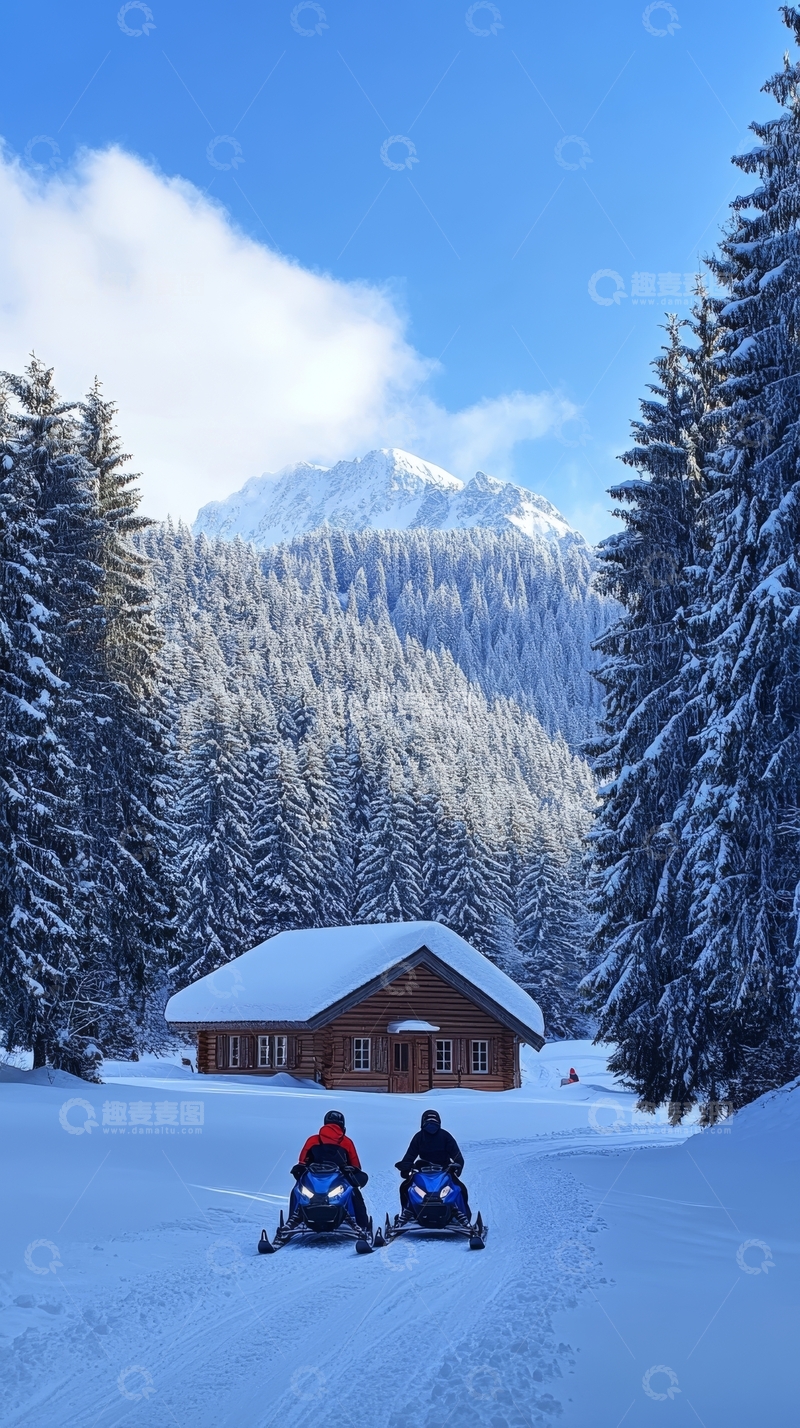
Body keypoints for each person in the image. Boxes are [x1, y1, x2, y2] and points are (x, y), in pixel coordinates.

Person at [295, 1110, 369, 1228]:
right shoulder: (347, 1142)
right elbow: (356, 1165)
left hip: (315, 1179)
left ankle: (293, 1219)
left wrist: (300, 1169)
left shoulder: (312, 1140)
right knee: (354, 1192)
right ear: (342, 1126)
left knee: (297, 1190)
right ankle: (363, 1225)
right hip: (337, 1178)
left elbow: (302, 1161)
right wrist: (351, 1170)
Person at [396, 1109, 470, 1216]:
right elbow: (457, 1155)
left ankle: (407, 1213)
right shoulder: (445, 1136)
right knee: (460, 1189)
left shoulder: (419, 1137)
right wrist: (458, 1166)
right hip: (440, 1170)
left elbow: (410, 1155)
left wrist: (405, 1168)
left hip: (435, 1171)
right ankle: (463, 1215)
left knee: (405, 1188)